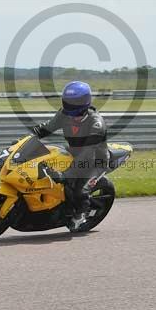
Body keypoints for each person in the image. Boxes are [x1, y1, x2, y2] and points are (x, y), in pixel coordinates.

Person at [30, 81, 109, 231]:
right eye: (68, 102)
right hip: (72, 153)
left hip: (95, 161)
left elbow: (87, 154)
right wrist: (29, 137)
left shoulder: (96, 124)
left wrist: (66, 174)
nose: (70, 106)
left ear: (84, 102)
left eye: (74, 103)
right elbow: (47, 128)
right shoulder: (64, 114)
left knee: (80, 190)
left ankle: (81, 213)